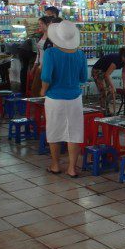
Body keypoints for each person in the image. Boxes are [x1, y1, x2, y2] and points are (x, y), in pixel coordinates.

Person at [41, 20, 88, 177]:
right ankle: (72, 168)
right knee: (73, 132)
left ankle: (55, 165)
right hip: (75, 99)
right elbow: (83, 78)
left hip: (55, 99)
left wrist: (42, 90)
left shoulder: (51, 53)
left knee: (54, 131)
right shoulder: (80, 54)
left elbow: (46, 77)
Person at [91, 47, 125, 115]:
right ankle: (103, 112)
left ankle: (106, 110)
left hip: (104, 71)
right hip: (97, 71)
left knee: (109, 92)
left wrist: (124, 85)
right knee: (104, 91)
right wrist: (112, 86)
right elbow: (107, 75)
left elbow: (124, 72)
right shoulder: (116, 60)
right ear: (123, 55)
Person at [30, 16, 53, 97]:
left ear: (48, 24)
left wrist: (42, 66)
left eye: (41, 24)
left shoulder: (51, 39)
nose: (39, 26)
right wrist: (35, 65)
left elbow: (50, 56)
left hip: (45, 67)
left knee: (41, 90)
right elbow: (38, 53)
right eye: (39, 24)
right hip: (40, 67)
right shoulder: (41, 36)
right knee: (35, 90)